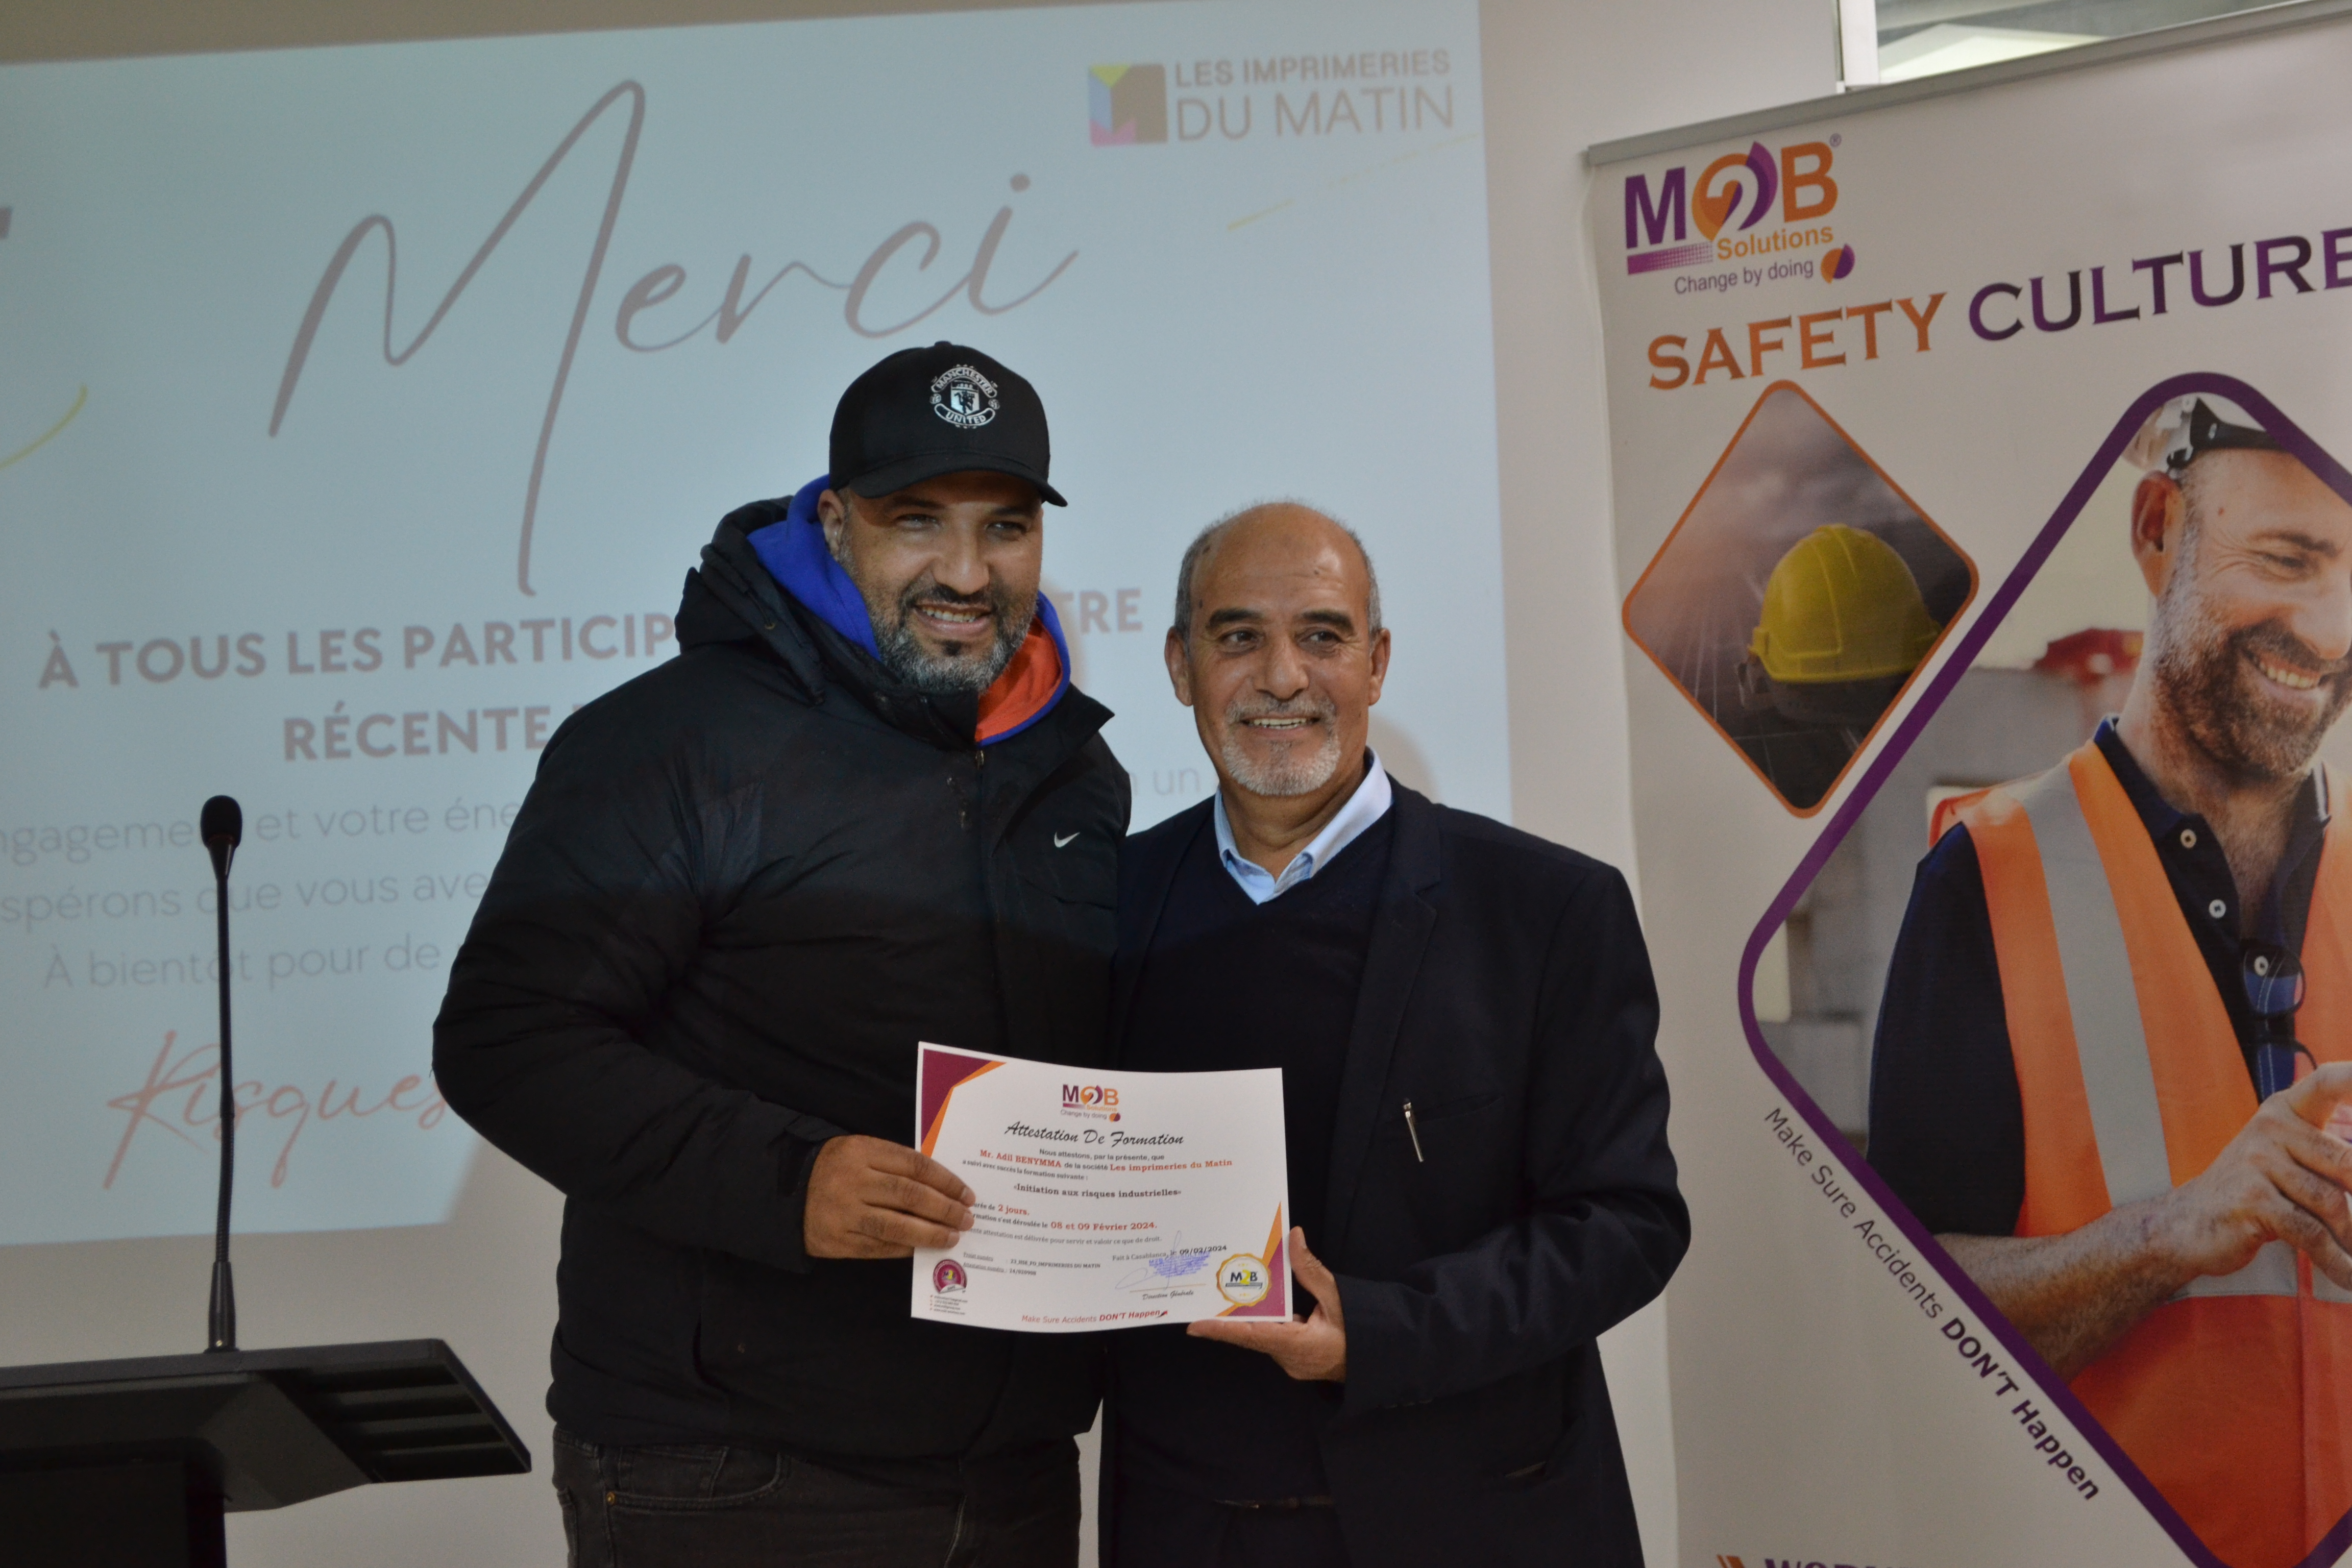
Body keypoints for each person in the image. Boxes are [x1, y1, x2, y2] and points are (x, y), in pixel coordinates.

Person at [433, 342, 1128, 1568]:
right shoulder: (673, 739)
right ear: (837, 521)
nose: (969, 572)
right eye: (919, 520)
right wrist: (788, 1182)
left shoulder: (1071, 769)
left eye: (1007, 527)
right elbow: (507, 1039)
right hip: (733, 1473)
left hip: (1014, 1468)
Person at [1100, 502, 1688, 1567]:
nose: (1282, 676)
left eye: (1322, 636)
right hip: (1187, 1530)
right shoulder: (1103, 904)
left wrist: (1379, 1332)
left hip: (1477, 1529)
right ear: (1182, 666)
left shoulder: (1546, 908)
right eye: (1239, 637)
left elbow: (1626, 1223)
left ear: (1375, 664)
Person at [1869, 397, 2352, 1568]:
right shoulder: (1989, 875)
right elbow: (1900, 1323)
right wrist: (2167, 1235)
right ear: (2156, 531)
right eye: (2286, 560)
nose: (2330, 629)